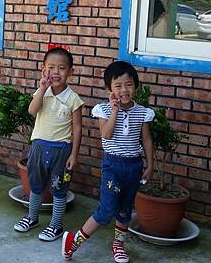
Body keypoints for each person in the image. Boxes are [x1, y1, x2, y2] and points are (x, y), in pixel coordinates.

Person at [61, 61, 154, 263]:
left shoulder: (142, 112)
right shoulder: (103, 109)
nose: (124, 90)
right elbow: (106, 133)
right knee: (106, 211)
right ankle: (73, 241)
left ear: (136, 86)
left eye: (129, 84)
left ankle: (118, 245)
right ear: (109, 89)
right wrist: (114, 110)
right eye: (118, 86)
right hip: (113, 166)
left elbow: (146, 140)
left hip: (134, 166)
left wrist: (150, 165)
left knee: (125, 209)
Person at [13, 46, 84, 242]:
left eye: (61, 68)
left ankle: (56, 225)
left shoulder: (73, 99)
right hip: (38, 147)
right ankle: (32, 218)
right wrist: (42, 88)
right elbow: (32, 111)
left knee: (59, 188)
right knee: (35, 185)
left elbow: (77, 128)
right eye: (51, 68)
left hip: (61, 150)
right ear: (43, 69)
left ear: (71, 72)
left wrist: (74, 154)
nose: (56, 72)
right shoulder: (41, 92)